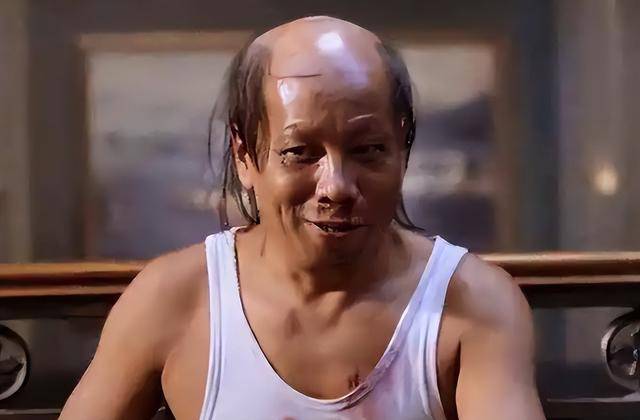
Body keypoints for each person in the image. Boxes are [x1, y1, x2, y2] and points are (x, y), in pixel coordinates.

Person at [60, 16, 544, 420]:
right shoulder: (173, 301)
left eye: (368, 150)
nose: (336, 186)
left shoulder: (474, 304)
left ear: (402, 147)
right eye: (300, 152)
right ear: (245, 155)